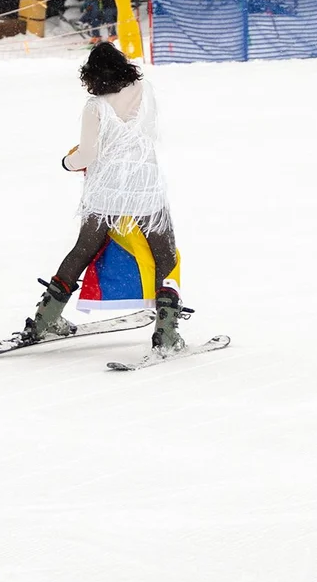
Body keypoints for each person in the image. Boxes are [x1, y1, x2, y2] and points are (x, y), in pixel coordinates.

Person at [18, 43, 191, 359]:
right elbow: (148, 129)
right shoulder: (144, 89)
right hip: (144, 184)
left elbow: (88, 154)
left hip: (106, 189)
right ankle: (166, 332)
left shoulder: (94, 107)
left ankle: (45, 319)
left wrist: (67, 162)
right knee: (164, 252)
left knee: (84, 249)